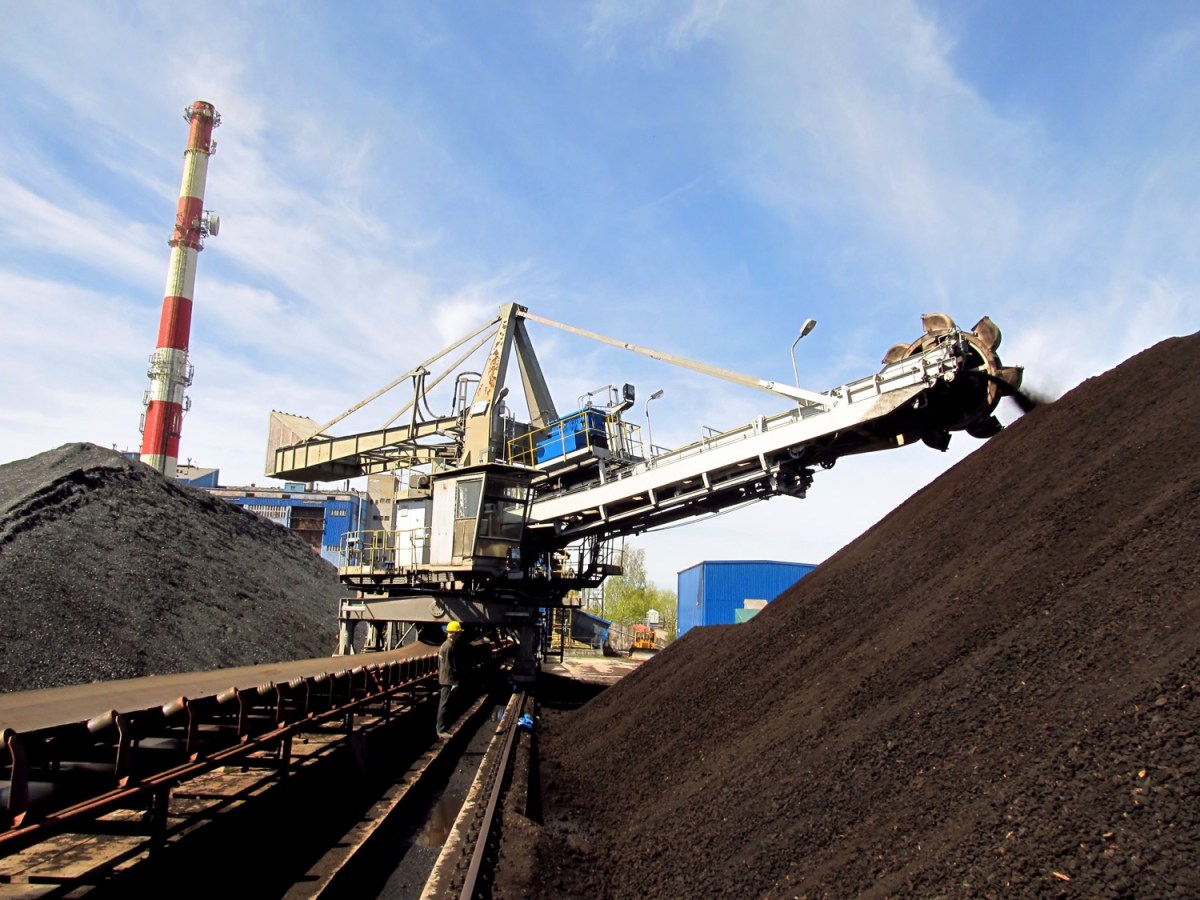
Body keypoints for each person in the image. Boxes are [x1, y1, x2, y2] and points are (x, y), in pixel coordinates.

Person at [436, 620, 464, 737]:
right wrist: (455, 682)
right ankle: (441, 730)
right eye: (459, 633)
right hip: (448, 679)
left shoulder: (446, 645)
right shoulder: (449, 647)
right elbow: (449, 666)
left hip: (445, 678)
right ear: (454, 634)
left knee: (445, 703)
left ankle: (441, 726)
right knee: (444, 704)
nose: (460, 635)